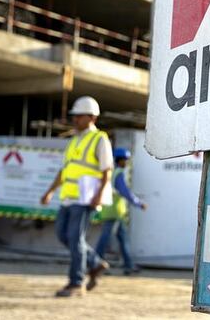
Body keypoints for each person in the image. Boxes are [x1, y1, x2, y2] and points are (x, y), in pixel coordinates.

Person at [41, 96, 113, 297]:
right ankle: (96, 263)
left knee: (75, 239)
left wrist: (98, 196)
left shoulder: (100, 139)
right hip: (68, 198)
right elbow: (65, 171)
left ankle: (76, 283)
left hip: (85, 199)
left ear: (92, 117)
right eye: (75, 116)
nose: (75, 119)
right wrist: (50, 191)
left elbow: (107, 170)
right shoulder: (73, 141)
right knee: (63, 236)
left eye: (79, 116)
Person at [96, 147, 146, 275]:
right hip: (114, 212)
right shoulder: (118, 173)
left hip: (112, 211)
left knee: (123, 239)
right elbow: (125, 192)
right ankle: (95, 263)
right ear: (120, 160)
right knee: (105, 239)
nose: (127, 163)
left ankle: (128, 265)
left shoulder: (112, 172)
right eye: (125, 160)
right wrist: (138, 203)